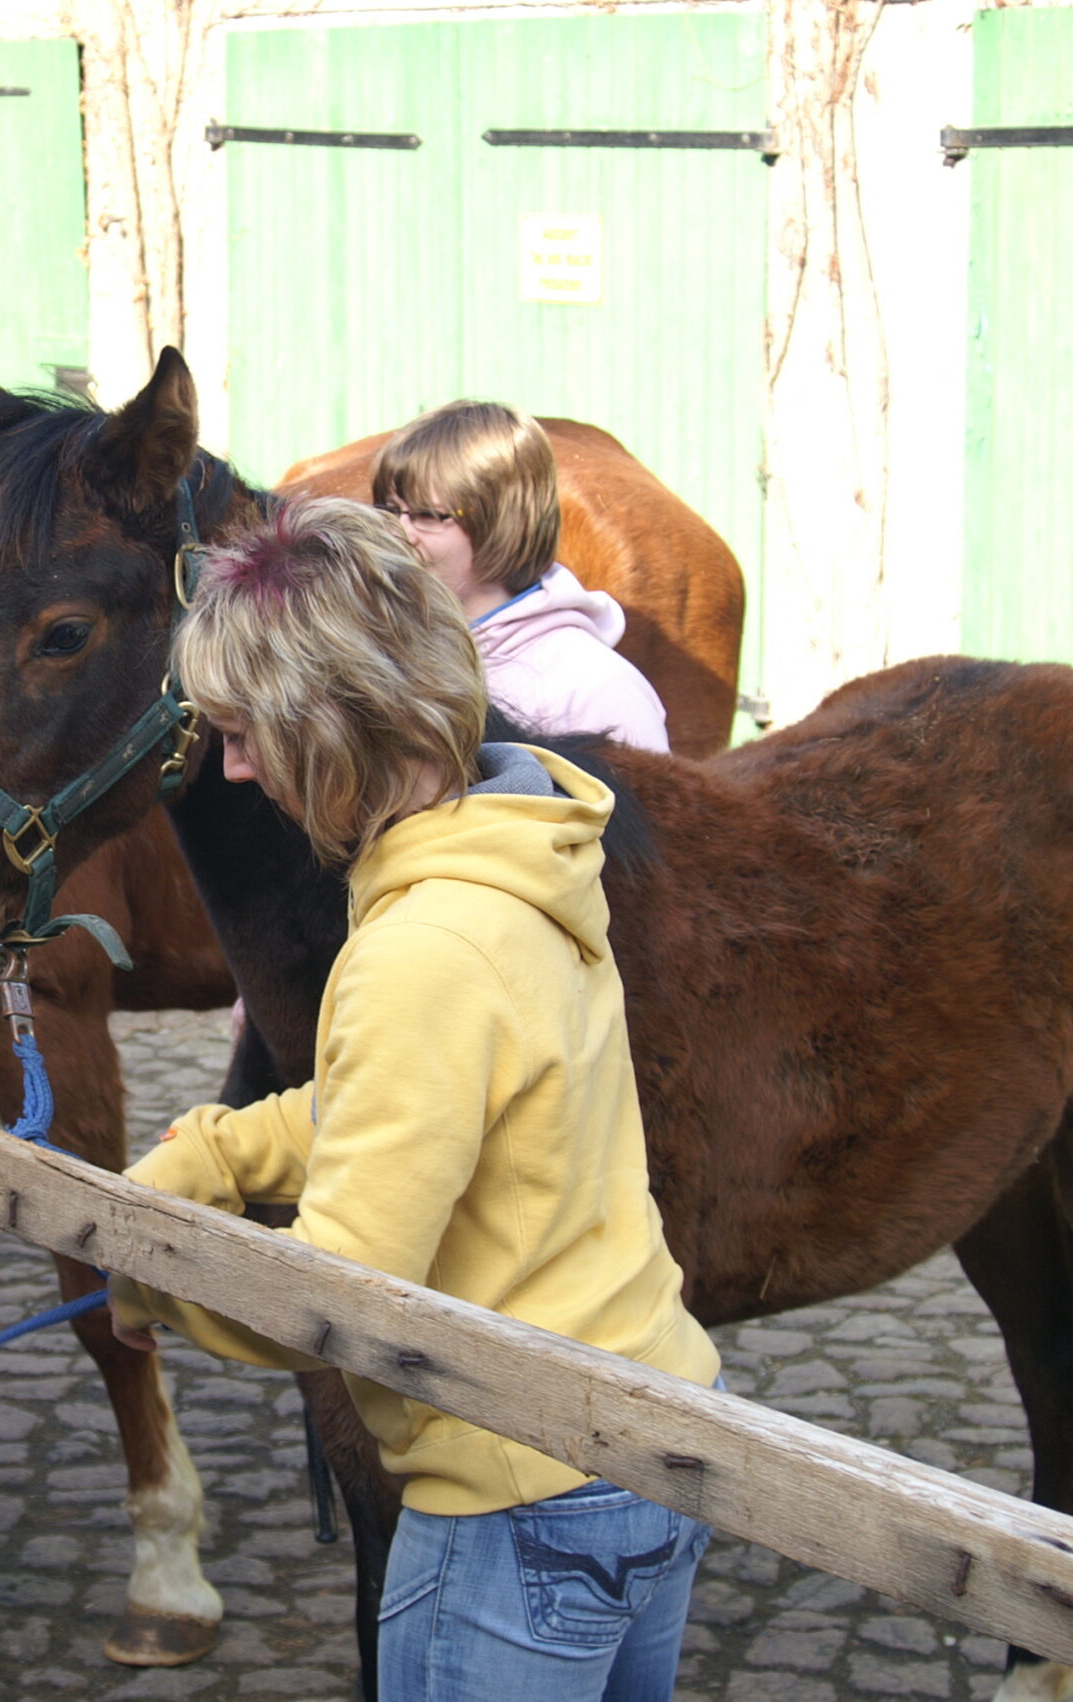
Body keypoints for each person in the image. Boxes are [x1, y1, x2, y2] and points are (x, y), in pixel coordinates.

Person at [109, 499, 719, 1702]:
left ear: (331, 720)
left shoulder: (416, 948)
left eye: (243, 732)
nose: (230, 767)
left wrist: (154, 1275)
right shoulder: (513, 853)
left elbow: (338, 1302)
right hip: (644, 1441)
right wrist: (218, 1150)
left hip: (513, 1496)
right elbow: (393, 1100)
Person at [373, 400, 669, 752]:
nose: (401, 533)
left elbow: (645, 806)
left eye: (427, 515)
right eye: (390, 510)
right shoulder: (391, 658)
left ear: (504, 522)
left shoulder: (598, 689)